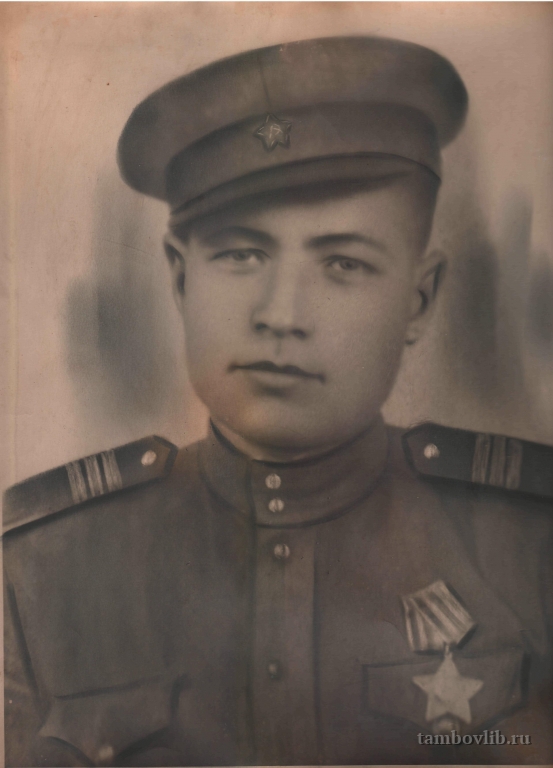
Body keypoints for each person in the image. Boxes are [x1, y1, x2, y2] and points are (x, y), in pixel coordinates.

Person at [3, 36, 553, 768]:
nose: (281, 315)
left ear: (418, 300)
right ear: (180, 278)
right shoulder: (42, 569)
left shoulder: (529, 544)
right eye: (242, 254)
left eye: (343, 263)